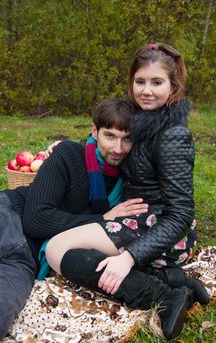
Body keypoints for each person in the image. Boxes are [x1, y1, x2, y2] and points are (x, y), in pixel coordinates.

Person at [44, 43, 209, 341]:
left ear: (173, 87)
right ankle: (172, 281)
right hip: (138, 217)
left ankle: (164, 297)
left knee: (58, 250)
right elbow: (108, 133)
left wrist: (129, 257)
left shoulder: (174, 136)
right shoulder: (140, 117)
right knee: (61, 251)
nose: (147, 90)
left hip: (166, 230)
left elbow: (182, 213)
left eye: (156, 82)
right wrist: (71, 150)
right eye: (140, 81)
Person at [0, 98, 149, 338]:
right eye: (110, 136)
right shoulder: (69, 154)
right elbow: (36, 219)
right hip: (8, 216)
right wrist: (102, 218)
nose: (118, 148)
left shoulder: (129, 184)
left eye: (127, 138)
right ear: (94, 131)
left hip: (26, 259)